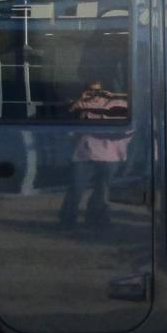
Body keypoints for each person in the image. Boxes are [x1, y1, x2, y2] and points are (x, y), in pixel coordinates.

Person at [58, 81, 131, 227]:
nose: (94, 94)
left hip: (111, 155)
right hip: (84, 154)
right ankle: (67, 220)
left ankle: (96, 219)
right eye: (90, 91)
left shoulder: (119, 104)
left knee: (102, 190)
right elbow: (67, 118)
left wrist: (116, 96)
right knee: (77, 188)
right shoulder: (81, 104)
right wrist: (81, 101)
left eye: (98, 91)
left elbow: (130, 121)